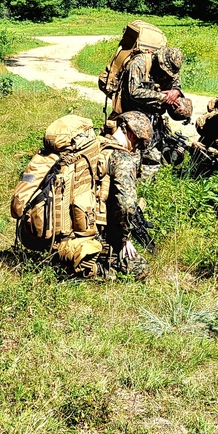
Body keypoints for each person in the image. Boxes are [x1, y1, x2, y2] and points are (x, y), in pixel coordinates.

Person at [53, 111, 151, 281]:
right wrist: (123, 238)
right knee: (141, 270)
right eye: (139, 144)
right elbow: (126, 205)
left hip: (66, 224)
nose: (136, 149)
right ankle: (91, 269)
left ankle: (64, 254)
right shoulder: (121, 158)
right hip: (92, 230)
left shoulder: (93, 146)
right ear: (132, 135)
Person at [112, 45, 189, 165]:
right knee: (131, 154)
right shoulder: (139, 63)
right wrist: (162, 97)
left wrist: (176, 91)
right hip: (133, 114)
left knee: (154, 155)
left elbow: (176, 83)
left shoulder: (171, 67)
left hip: (154, 115)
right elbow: (134, 92)